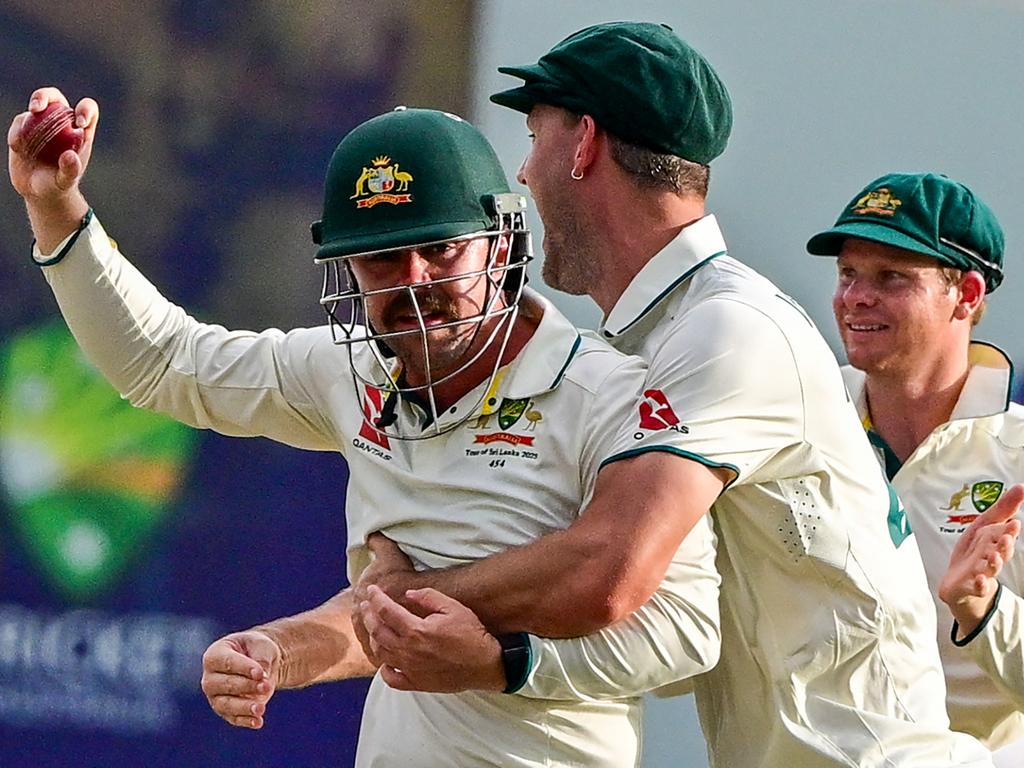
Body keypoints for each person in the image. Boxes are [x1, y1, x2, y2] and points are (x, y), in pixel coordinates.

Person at [353, 22, 1007, 767]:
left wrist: (401, 597)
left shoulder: (725, 328)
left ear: (585, 144)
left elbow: (607, 570)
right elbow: (659, 621)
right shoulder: (653, 337)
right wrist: (498, 655)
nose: (525, 175)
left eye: (535, 136)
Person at [8, 91, 724, 766]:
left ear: (501, 245)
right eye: (383, 256)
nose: (413, 280)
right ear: (347, 267)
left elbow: (688, 630)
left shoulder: (608, 393)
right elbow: (166, 364)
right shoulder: (351, 374)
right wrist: (54, 203)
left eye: (440, 249)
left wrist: (502, 662)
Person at [807, 171, 1024, 766]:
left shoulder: (1019, 450)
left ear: (968, 294)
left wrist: (983, 610)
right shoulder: (799, 425)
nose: (855, 297)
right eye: (848, 274)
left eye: (891, 277)